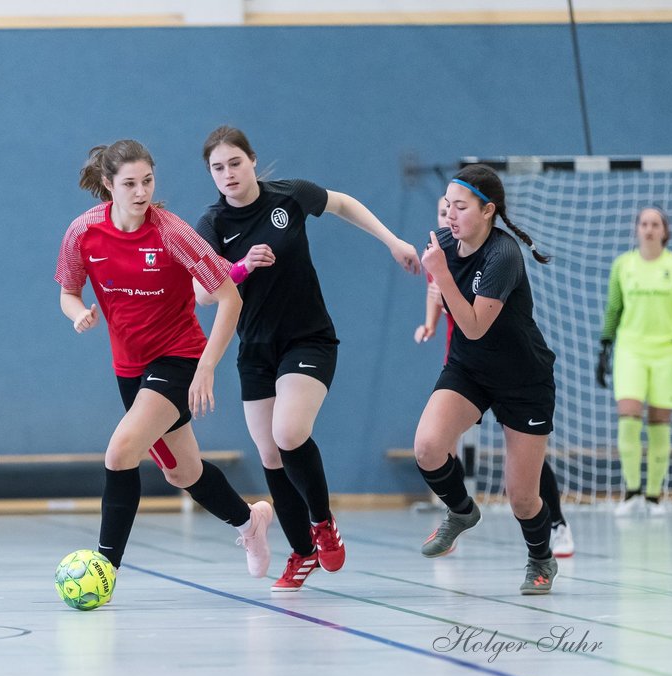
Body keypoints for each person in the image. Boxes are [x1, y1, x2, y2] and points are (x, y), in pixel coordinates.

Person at [195, 125, 421, 592]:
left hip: (308, 339)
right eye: (218, 168)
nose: (228, 174)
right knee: (270, 454)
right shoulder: (213, 224)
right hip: (255, 349)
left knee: (289, 432)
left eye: (235, 163)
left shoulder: (289, 198)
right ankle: (302, 553)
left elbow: (342, 204)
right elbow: (201, 292)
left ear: (252, 160)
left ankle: (323, 522)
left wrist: (393, 241)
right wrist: (240, 267)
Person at [55, 139, 275, 585]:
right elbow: (68, 292)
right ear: (108, 185)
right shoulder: (83, 232)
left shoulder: (172, 232)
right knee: (183, 472)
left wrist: (208, 366)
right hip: (128, 368)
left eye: (148, 181)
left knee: (120, 453)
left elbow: (228, 297)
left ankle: (104, 568)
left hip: (179, 357)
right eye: (130, 184)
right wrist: (80, 314)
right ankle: (250, 522)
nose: (141, 193)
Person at [414, 165, 560, 594]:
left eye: (460, 207)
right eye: (446, 206)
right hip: (469, 370)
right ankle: (461, 511)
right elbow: (435, 282)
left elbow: (475, 324)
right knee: (427, 446)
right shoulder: (442, 243)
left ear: (487, 211)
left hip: (523, 377)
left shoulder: (503, 256)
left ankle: (541, 559)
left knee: (522, 497)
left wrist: (440, 273)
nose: (450, 215)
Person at [596, 206, 672, 517]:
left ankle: (654, 496)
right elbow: (613, 308)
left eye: (655, 224)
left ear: (665, 231)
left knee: (659, 422)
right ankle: (631, 492)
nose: (649, 229)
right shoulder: (623, 266)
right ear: (637, 229)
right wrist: (605, 347)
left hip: (667, 352)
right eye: (644, 223)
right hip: (630, 349)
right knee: (628, 416)